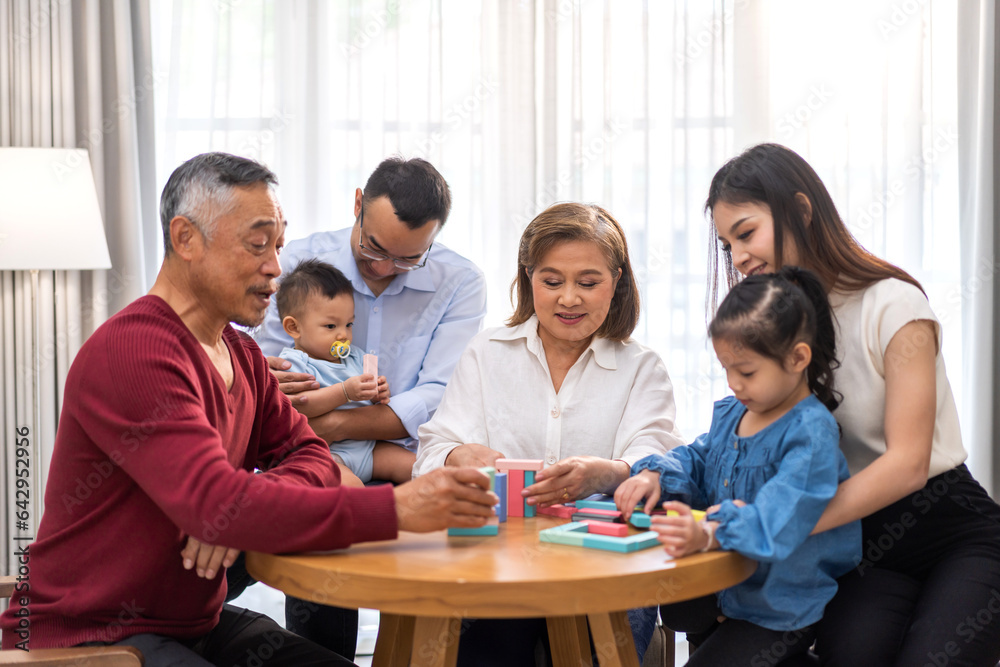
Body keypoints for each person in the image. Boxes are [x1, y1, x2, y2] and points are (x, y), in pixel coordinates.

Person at [0, 153, 497, 666]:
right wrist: (396, 509)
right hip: (91, 639)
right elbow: (217, 500)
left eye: (279, 246)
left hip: (194, 624)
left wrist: (230, 511)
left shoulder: (240, 353)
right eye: (258, 245)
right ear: (186, 238)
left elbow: (311, 457)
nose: (277, 270)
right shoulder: (135, 349)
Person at [706, 143, 1000, 666]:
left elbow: (907, 464)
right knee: (850, 652)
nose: (739, 256)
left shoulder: (894, 305)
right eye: (728, 245)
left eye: (746, 232)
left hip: (953, 529)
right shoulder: (779, 328)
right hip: (867, 544)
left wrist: (770, 527)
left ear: (800, 210)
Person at [414, 202, 686, 665]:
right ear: (528, 278)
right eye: (552, 281)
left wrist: (607, 473)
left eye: (588, 282)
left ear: (616, 281)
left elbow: (658, 460)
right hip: (498, 561)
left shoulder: (641, 367)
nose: (569, 299)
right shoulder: (488, 353)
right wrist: (459, 455)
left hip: (602, 566)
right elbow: (431, 453)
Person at [242, 156, 487, 657]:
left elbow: (439, 393)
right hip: (313, 456)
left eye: (407, 259)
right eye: (374, 247)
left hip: (397, 456)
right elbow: (267, 379)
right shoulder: (295, 268)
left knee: (435, 593)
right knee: (321, 614)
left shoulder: (459, 281)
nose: (383, 268)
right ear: (358, 203)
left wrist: (332, 421)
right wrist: (324, 430)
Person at [615, 267, 861, 666]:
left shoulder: (811, 432)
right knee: (678, 608)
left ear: (798, 358)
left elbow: (779, 517)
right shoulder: (733, 413)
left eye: (746, 371)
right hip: (725, 590)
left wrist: (709, 531)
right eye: (726, 368)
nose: (733, 383)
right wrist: (654, 473)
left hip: (780, 609)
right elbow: (698, 457)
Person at [275, 258, 414, 485]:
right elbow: (300, 405)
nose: (343, 335)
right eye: (331, 326)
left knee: (417, 466)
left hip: (367, 447)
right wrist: (345, 392)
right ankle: (378, 514)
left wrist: (378, 393)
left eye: (349, 324)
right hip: (326, 453)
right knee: (353, 487)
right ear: (294, 327)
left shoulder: (356, 356)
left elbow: (370, 400)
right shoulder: (292, 364)